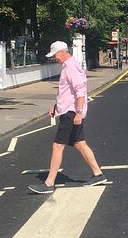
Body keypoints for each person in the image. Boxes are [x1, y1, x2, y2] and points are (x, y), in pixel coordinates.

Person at [29, 41, 106, 194]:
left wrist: (78, 112)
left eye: (55, 55)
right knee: (79, 144)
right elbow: (67, 92)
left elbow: (80, 90)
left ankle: (49, 183)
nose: (54, 58)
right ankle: (98, 174)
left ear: (63, 52)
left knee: (57, 147)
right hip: (68, 110)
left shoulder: (71, 67)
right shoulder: (67, 66)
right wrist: (56, 106)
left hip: (71, 113)